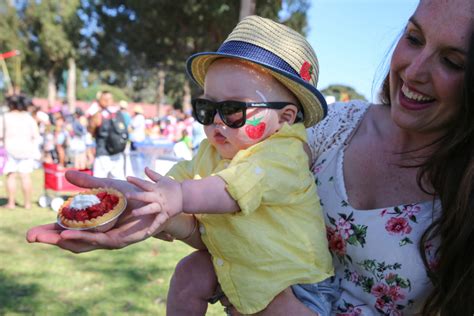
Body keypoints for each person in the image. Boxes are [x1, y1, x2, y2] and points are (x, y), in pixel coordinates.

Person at [26, 0, 474, 314]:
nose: (414, 71)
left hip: (301, 291)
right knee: (187, 274)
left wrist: (178, 197)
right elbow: (190, 202)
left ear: (287, 116)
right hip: (249, 274)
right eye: (413, 37)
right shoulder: (326, 129)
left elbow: (231, 190)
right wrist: (136, 208)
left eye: (453, 60)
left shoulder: (283, 151)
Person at [0, 94, 40, 209]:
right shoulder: (29, 118)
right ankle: (27, 204)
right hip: (26, 150)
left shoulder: (5, 117)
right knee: (25, 176)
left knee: (11, 176)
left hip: (9, 150)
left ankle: (11, 203)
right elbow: (35, 135)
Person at [88, 90, 127, 179]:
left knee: (99, 184)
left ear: (102, 100)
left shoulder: (98, 114)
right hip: (118, 152)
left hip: (103, 154)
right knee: (119, 184)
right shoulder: (118, 113)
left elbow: (91, 130)